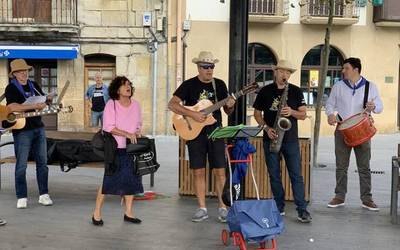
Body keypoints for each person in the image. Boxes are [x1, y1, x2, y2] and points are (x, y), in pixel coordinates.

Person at [168, 51, 235, 223]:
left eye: (211, 66)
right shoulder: (189, 85)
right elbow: (172, 104)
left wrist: (230, 105)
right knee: (198, 171)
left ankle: (223, 208)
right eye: (206, 67)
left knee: (220, 171)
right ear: (198, 67)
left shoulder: (219, 85)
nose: (209, 70)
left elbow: (227, 110)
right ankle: (202, 208)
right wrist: (192, 114)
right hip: (195, 134)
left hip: (216, 133)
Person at [253, 59, 312, 223]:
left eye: (288, 72)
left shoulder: (295, 91)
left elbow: (303, 114)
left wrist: (291, 111)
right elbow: (257, 114)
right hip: (270, 137)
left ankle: (302, 209)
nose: (285, 75)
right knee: (274, 175)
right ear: (276, 72)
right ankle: (279, 206)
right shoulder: (265, 91)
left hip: (290, 139)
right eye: (282, 71)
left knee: (296, 175)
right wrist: (266, 128)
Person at [325, 57, 383, 211]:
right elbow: (330, 104)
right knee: (341, 166)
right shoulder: (338, 86)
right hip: (342, 130)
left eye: (346, 68)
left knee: (364, 166)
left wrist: (373, 106)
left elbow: (380, 107)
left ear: (356, 70)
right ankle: (339, 196)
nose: (343, 71)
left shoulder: (370, 86)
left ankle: (367, 199)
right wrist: (330, 115)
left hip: (362, 130)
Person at [92, 76, 143, 226]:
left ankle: (128, 212)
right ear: (117, 89)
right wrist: (127, 134)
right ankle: (96, 213)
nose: (128, 87)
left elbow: (139, 124)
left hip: (132, 148)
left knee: (131, 180)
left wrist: (137, 132)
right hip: (115, 148)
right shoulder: (111, 104)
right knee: (108, 181)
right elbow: (108, 127)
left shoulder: (136, 105)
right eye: (124, 85)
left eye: (129, 84)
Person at [3, 59, 53, 209]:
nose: (24, 73)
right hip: (21, 130)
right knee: (21, 165)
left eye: (25, 70)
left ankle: (44, 194)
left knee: (43, 164)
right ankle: (21, 196)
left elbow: (42, 101)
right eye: (20, 71)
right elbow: (12, 106)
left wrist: (47, 101)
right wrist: (34, 105)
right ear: (15, 75)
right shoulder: (11, 88)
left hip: (39, 127)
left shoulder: (35, 85)